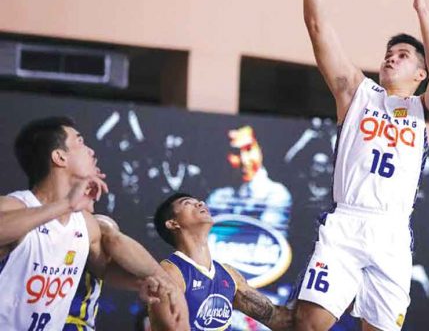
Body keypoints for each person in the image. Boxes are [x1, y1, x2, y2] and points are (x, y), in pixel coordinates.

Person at [293, 0, 429, 331]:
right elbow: (317, 27)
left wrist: (423, 12)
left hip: (392, 234)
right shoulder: (356, 93)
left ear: (420, 73)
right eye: (388, 53)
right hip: (347, 222)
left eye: (402, 55)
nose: (391, 58)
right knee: (310, 323)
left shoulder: (426, 112)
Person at [0, 116, 183, 330]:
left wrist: (144, 283)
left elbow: (103, 269)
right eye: (80, 142)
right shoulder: (15, 205)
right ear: (59, 157)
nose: (91, 151)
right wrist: (67, 204)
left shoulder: (84, 224)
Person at [149, 192, 294, 331]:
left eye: (199, 202)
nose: (200, 204)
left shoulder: (229, 274)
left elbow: (276, 318)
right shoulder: (169, 272)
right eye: (188, 203)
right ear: (173, 223)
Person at [65, 198, 187, 331]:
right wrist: (164, 279)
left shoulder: (95, 228)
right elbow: (112, 242)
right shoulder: (94, 226)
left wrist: (143, 283)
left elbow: (104, 269)